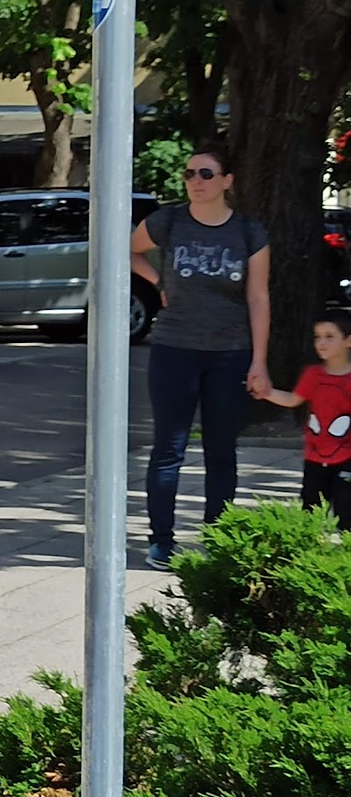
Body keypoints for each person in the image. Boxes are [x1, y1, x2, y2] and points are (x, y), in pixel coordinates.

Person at [130, 143, 271, 569]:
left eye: (206, 174)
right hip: (174, 349)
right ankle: (161, 540)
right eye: (190, 174)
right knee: (168, 449)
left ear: (227, 181)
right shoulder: (168, 221)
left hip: (230, 353)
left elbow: (259, 297)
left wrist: (259, 361)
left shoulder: (249, 232)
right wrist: (157, 281)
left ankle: (218, 535)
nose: (196, 182)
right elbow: (129, 249)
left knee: (221, 450)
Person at [251, 310, 351, 531]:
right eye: (317, 336)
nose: (321, 343)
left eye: (329, 336)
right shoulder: (313, 374)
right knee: (310, 511)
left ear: (348, 340)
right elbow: (294, 399)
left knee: (346, 513)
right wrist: (266, 393)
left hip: (347, 459)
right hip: (314, 458)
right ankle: (309, 555)